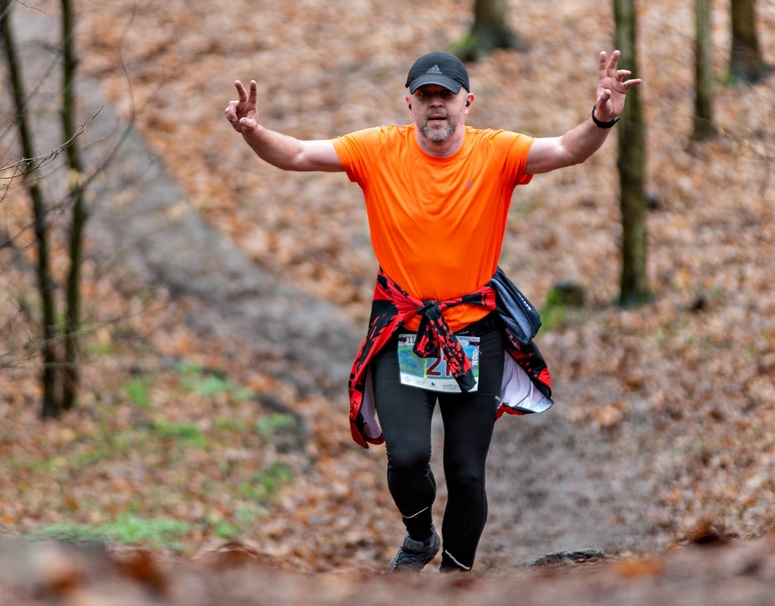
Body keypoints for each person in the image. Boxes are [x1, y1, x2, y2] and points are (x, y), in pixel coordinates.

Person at [225, 49, 641, 574]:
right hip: (402, 330)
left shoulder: (497, 152)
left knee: (466, 474)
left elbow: (566, 149)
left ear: (467, 102)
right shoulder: (378, 149)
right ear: (409, 103)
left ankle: (455, 581)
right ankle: (420, 536)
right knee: (407, 456)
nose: (435, 106)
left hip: (476, 335)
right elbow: (300, 155)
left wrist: (603, 115)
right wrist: (254, 132)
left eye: (445, 96)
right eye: (425, 97)